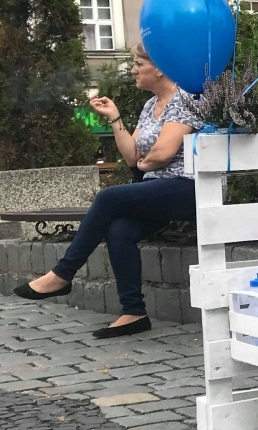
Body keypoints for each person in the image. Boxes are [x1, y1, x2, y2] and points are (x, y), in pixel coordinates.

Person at [15, 41, 199, 338]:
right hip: (157, 188)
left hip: (187, 187)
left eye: (139, 64)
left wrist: (146, 162)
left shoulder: (185, 98)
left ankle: (63, 273)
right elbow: (132, 157)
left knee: (107, 197)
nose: (133, 70)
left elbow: (163, 153)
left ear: (160, 68)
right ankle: (134, 313)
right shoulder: (151, 106)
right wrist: (115, 118)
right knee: (119, 230)